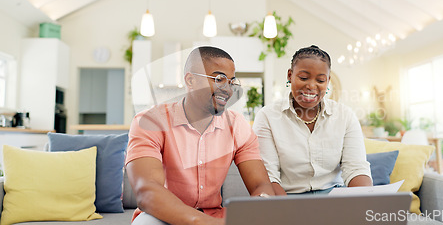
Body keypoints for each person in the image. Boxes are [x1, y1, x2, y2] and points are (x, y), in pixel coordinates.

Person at [126, 46, 275, 225]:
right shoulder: (150, 122)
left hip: (215, 216)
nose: (228, 90)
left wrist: (261, 206)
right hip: (163, 215)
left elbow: (261, 185)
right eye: (219, 79)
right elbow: (147, 191)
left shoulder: (237, 126)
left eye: (232, 82)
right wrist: (202, 222)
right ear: (191, 80)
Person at [253, 45, 372, 196]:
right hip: (287, 198)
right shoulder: (267, 116)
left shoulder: (345, 115)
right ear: (290, 75)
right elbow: (269, 177)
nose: (311, 86)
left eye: (320, 80)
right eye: (303, 78)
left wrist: (364, 202)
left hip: (334, 197)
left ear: (328, 81)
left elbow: (356, 168)